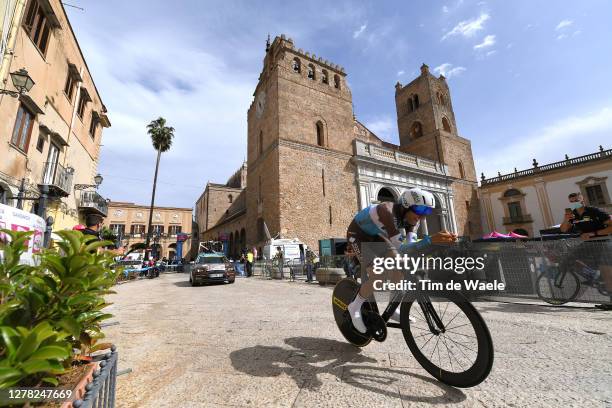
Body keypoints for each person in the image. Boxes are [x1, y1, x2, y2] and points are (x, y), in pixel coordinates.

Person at [346, 188, 457, 334]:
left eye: (427, 212)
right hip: (358, 235)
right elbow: (403, 247)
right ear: (406, 205)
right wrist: (430, 240)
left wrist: (436, 243)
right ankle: (354, 306)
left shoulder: (413, 220)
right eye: (420, 209)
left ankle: (393, 308)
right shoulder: (386, 211)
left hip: (377, 235)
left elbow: (410, 248)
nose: (422, 216)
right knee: (378, 276)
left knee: (400, 265)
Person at [560, 192, 612, 310]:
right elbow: (563, 229)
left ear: (582, 201)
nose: (574, 203)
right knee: (568, 259)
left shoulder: (594, 211)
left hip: (604, 242)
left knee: (606, 271)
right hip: (588, 244)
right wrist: (566, 219)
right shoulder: (572, 215)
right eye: (571, 202)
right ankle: (594, 275)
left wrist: (593, 233)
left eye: (576, 201)